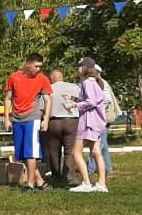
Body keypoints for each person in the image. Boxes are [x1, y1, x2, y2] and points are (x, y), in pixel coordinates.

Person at [3, 53, 53, 192]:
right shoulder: (14, 77)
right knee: (21, 154)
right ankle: (40, 181)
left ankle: (30, 184)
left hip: (32, 118)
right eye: (36, 66)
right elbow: (8, 98)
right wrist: (6, 117)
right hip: (16, 118)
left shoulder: (42, 79)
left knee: (30, 153)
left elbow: (48, 100)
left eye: (40, 67)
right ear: (27, 63)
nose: (38, 69)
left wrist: (46, 119)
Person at [67, 57, 110, 193]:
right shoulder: (95, 82)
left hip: (88, 122)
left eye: (79, 67)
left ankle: (86, 183)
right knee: (96, 152)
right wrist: (73, 98)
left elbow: (91, 102)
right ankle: (101, 184)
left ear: (86, 68)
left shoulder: (87, 82)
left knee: (76, 152)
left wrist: (74, 104)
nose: (77, 70)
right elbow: (92, 100)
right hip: (96, 122)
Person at [40, 69, 80, 182]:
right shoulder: (75, 87)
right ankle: (68, 176)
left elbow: (42, 108)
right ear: (62, 77)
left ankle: (55, 174)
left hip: (53, 122)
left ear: (51, 78)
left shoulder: (48, 89)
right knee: (69, 150)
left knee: (53, 149)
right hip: (71, 121)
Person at [88, 65, 117, 177]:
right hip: (105, 117)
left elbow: (106, 100)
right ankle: (108, 168)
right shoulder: (100, 82)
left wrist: (97, 110)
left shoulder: (100, 83)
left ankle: (89, 168)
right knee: (103, 145)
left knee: (96, 145)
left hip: (102, 118)